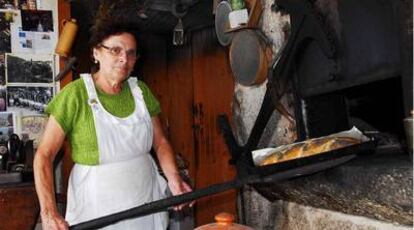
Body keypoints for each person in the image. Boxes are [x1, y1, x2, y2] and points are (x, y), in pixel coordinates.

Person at [33, 14, 193, 230]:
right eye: (115, 50)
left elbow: (161, 142)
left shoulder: (141, 91)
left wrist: (174, 180)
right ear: (96, 52)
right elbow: (44, 154)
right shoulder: (75, 95)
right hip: (97, 206)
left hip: (144, 199)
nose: (124, 59)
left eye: (130, 53)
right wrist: (49, 212)